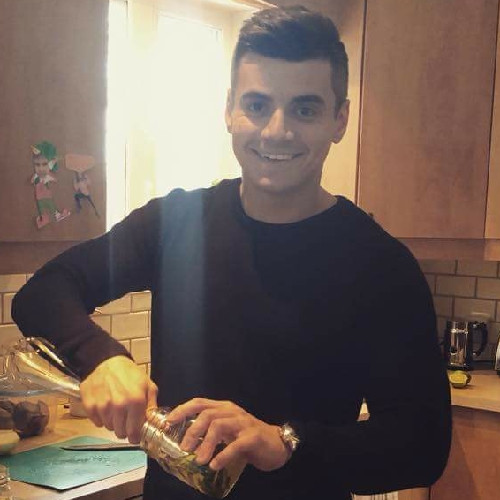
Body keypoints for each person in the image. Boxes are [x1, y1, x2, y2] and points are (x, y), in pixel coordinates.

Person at [12, 5, 451, 499]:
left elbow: (423, 445)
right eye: (257, 105)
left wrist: (284, 443)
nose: (277, 131)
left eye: (305, 109)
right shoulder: (176, 223)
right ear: (228, 110)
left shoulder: (380, 266)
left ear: (340, 119)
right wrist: (101, 359)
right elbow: (43, 292)